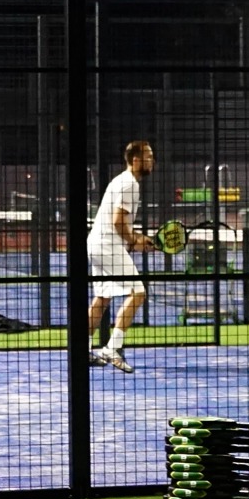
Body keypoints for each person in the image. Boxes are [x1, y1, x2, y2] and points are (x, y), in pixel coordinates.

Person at [86, 140, 156, 374]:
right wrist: (135, 240)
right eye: (148, 157)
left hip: (96, 244)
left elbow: (118, 224)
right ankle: (112, 348)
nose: (152, 161)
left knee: (102, 298)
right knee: (138, 292)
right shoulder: (129, 184)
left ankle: (82, 349)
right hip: (107, 245)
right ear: (135, 160)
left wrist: (134, 240)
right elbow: (118, 222)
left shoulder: (121, 181)